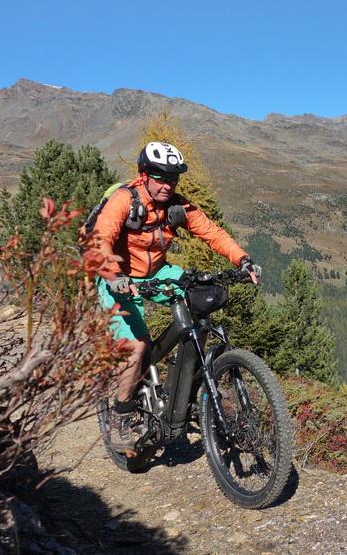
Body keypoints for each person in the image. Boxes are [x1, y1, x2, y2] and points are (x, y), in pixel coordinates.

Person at [89, 141, 258, 450]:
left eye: (173, 178)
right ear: (144, 174)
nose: (168, 184)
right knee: (135, 346)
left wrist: (242, 260)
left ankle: (185, 384)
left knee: (202, 298)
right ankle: (122, 414)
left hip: (158, 272)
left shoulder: (176, 205)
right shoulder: (124, 200)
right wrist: (113, 278)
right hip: (117, 278)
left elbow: (212, 232)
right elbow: (100, 241)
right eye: (161, 177)